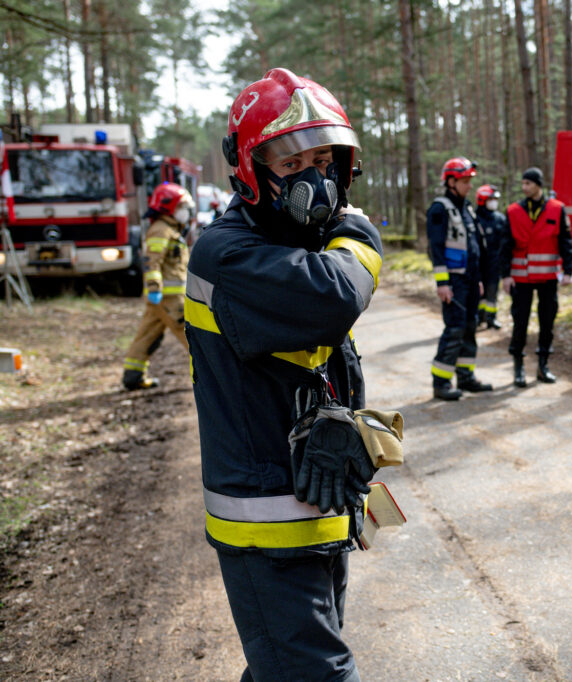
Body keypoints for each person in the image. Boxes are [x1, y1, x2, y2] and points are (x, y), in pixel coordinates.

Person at [185, 67, 388, 682]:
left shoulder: (300, 240)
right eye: (292, 161)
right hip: (266, 525)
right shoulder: (228, 254)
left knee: (283, 670)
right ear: (250, 167)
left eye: (325, 159)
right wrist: (357, 234)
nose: (316, 179)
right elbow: (334, 296)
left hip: (321, 503)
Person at [501, 166, 572, 387]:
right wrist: (505, 275)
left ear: (538, 185)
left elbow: (566, 242)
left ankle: (543, 366)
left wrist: (569, 271)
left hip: (548, 278)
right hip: (520, 278)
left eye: (528, 183)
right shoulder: (513, 211)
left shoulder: (557, 209)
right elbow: (504, 246)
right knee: (520, 322)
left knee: (547, 322)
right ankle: (518, 367)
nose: (524, 187)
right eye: (523, 183)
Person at [428, 157, 492, 401]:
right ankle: (441, 383)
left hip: (470, 281)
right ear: (451, 181)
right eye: (465, 181)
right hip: (453, 283)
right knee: (454, 329)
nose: (469, 186)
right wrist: (442, 283)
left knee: (469, 329)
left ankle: (466, 378)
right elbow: (436, 248)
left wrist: (477, 279)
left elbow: (473, 247)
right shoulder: (440, 209)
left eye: (469, 181)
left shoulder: (466, 209)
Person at [121, 182, 194, 390]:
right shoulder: (161, 231)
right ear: (168, 207)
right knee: (193, 336)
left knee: (147, 335)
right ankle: (212, 378)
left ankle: (133, 375)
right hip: (169, 298)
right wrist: (154, 288)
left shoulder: (169, 230)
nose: (186, 213)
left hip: (163, 298)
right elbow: (151, 262)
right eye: (182, 208)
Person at [474, 184, 505, 330]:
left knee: (492, 293)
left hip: (495, 265)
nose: (494, 202)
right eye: (491, 199)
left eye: (495, 199)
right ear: (482, 200)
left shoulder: (500, 219)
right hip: (478, 265)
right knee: (479, 294)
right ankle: (478, 318)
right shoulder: (474, 218)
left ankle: (491, 319)